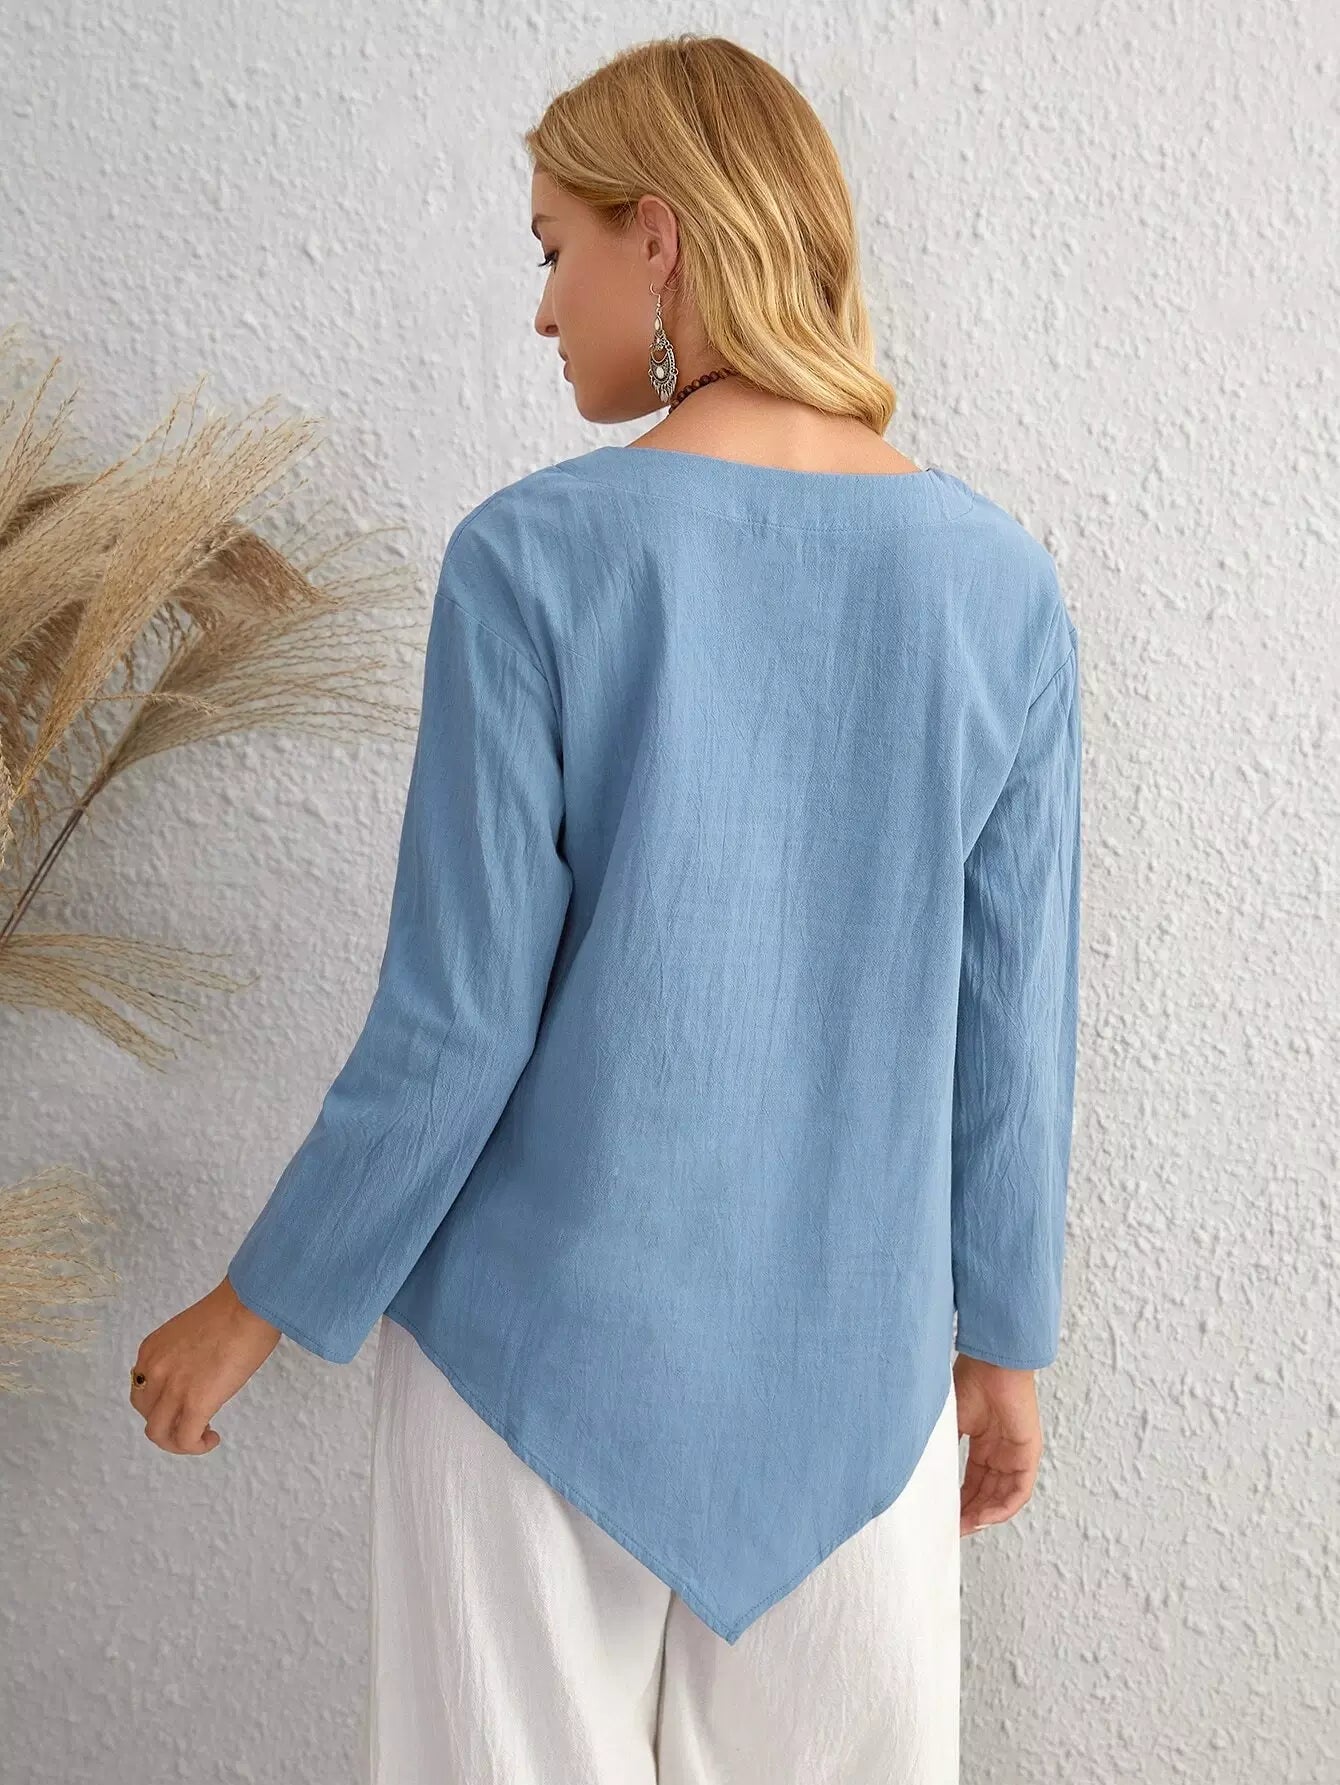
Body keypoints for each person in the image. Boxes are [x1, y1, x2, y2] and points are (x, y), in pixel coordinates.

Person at [129, 33, 1082, 1785]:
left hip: (531, 1376)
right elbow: (1011, 1030)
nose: (542, 308)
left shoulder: (531, 556)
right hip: (860, 1397)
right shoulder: (1001, 588)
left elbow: (456, 1022)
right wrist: (1004, 1343)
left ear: (662, 235)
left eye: (554, 246)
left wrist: (251, 1306)